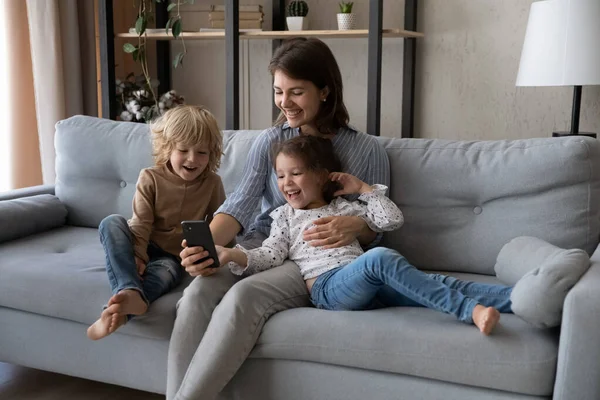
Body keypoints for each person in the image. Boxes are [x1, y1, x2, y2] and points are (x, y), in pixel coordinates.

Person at [167, 37, 390, 400]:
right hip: (261, 243)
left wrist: (358, 226)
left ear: (325, 91)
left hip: (311, 256)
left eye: (296, 92)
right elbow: (240, 205)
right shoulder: (270, 141)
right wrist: (203, 245)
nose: (284, 102)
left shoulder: (366, 149)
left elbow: (378, 227)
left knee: (242, 297)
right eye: (278, 91)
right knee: (196, 295)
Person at [218, 135, 510, 335]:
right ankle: (469, 312)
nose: (286, 183)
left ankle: (523, 298)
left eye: (295, 173)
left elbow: (392, 220)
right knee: (379, 259)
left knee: (439, 282)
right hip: (329, 289)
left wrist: (364, 190)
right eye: (280, 175)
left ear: (322, 175)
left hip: (369, 284)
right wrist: (234, 254)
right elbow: (270, 254)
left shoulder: (346, 207)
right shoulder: (285, 216)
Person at [87, 105, 225, 340]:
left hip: (172, 256)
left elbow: (222, 222)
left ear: (212, 154)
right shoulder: (150, 177)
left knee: (164, 274)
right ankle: (128, 288)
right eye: (183, 150)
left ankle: (125, 309)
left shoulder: (212, 183)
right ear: (167, 147)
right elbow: (141, 223)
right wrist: (138, 256)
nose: (193, 159)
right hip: (142, 242)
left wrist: (222, 257)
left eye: (202, 152)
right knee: (111, 222)